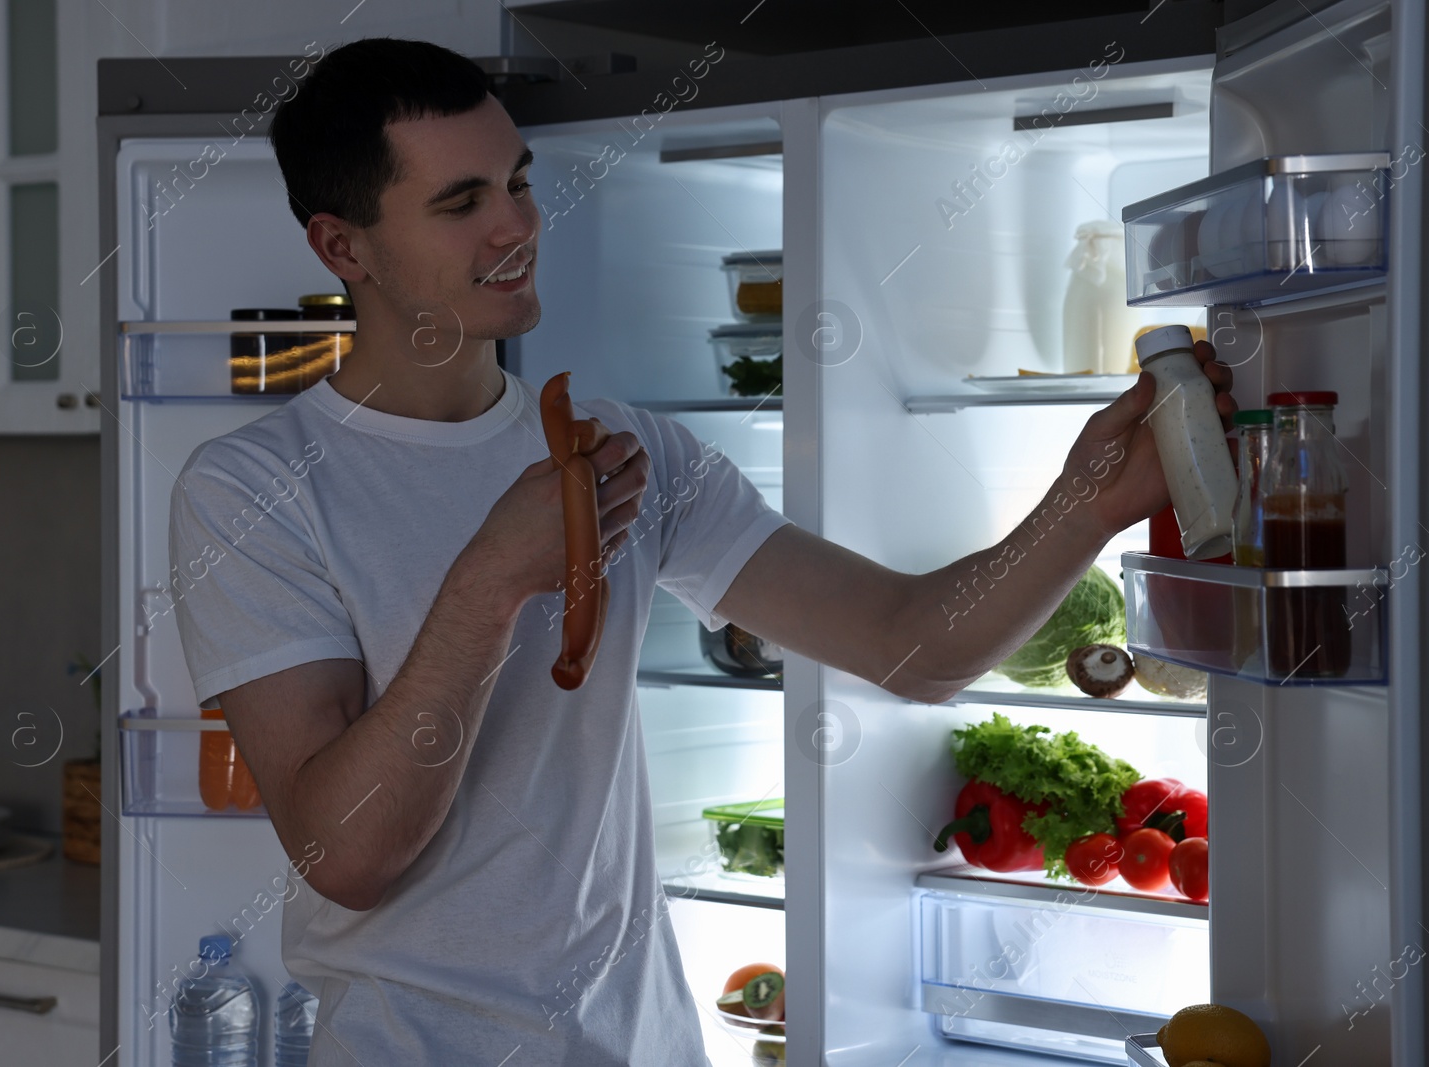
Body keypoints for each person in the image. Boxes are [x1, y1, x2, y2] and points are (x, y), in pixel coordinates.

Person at [168, 36, 1235, 1067]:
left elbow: (915, 648)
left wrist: (1088, 500)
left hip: (640, 1042)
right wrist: (495, 576)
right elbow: (346, 855)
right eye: (462, 204)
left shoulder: (629, 446)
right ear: (342, 246)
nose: (516, 226)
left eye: (519, 183)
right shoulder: (253, 491)